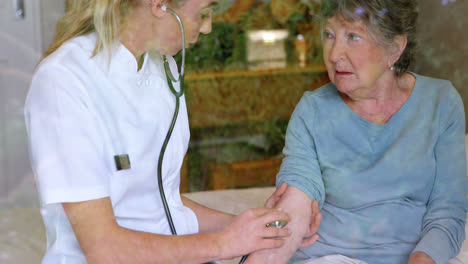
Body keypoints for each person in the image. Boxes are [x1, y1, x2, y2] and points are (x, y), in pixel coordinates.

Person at [24, 0, 321, 263]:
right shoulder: (65, 81)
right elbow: (105, 250)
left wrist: (256, 229)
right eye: (203, 14)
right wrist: (224, 243)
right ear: (159, 5)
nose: (206, 28)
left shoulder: (162, 67)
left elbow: (161, 203)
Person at [244, 0, 467, 263]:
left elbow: (448, 210)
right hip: (326, 257)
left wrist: (422, 259)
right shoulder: (312, 110)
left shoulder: (440, 103)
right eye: (329, 35)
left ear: (394, 49)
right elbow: (296, 201)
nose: (335, 53)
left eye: (353, 36)